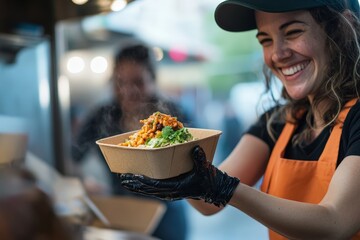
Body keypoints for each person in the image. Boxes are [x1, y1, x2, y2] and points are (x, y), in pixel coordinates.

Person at [118, 0, 360, 239]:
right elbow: (209, 204)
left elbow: (335, 222)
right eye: (266, 40)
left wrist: (224, 188)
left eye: (294, 32)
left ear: (340, 30)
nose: (277, 53)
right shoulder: (278, 122)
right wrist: (170, 167)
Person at [71, 42, 189, 240]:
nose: (127, 91)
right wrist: (84, 182)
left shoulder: (172, 114)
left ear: (153, 79)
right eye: (120, 82)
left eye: (138, 82)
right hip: (121, 216)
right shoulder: (102, 115)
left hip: (166, 219)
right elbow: (72, 155)